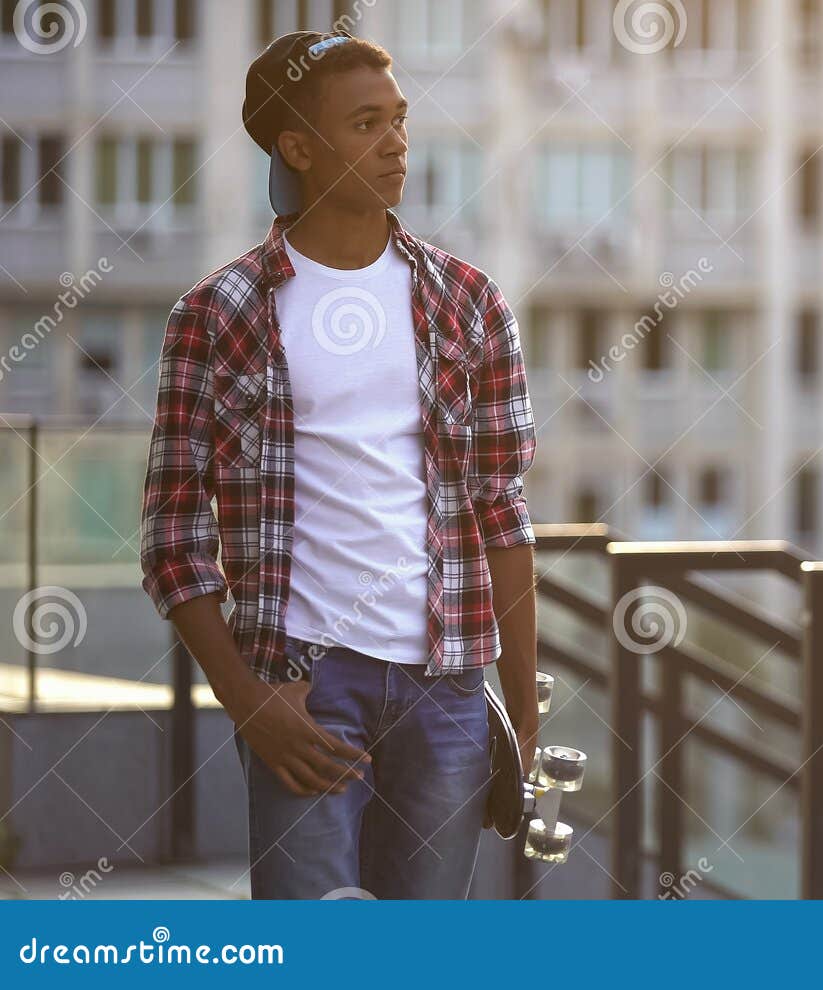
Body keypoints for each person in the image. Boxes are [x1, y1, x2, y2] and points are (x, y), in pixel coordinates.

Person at [137, 29, 541, 899]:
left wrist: (525, 709)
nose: (397, 142)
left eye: (398, 119)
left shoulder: (469, 303)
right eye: (366, 124)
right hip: (304, 689)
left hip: (448, 689)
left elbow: (500, 508)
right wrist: (247, 699)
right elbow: (173, 537)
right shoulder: (216, 313)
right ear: (298, 147)